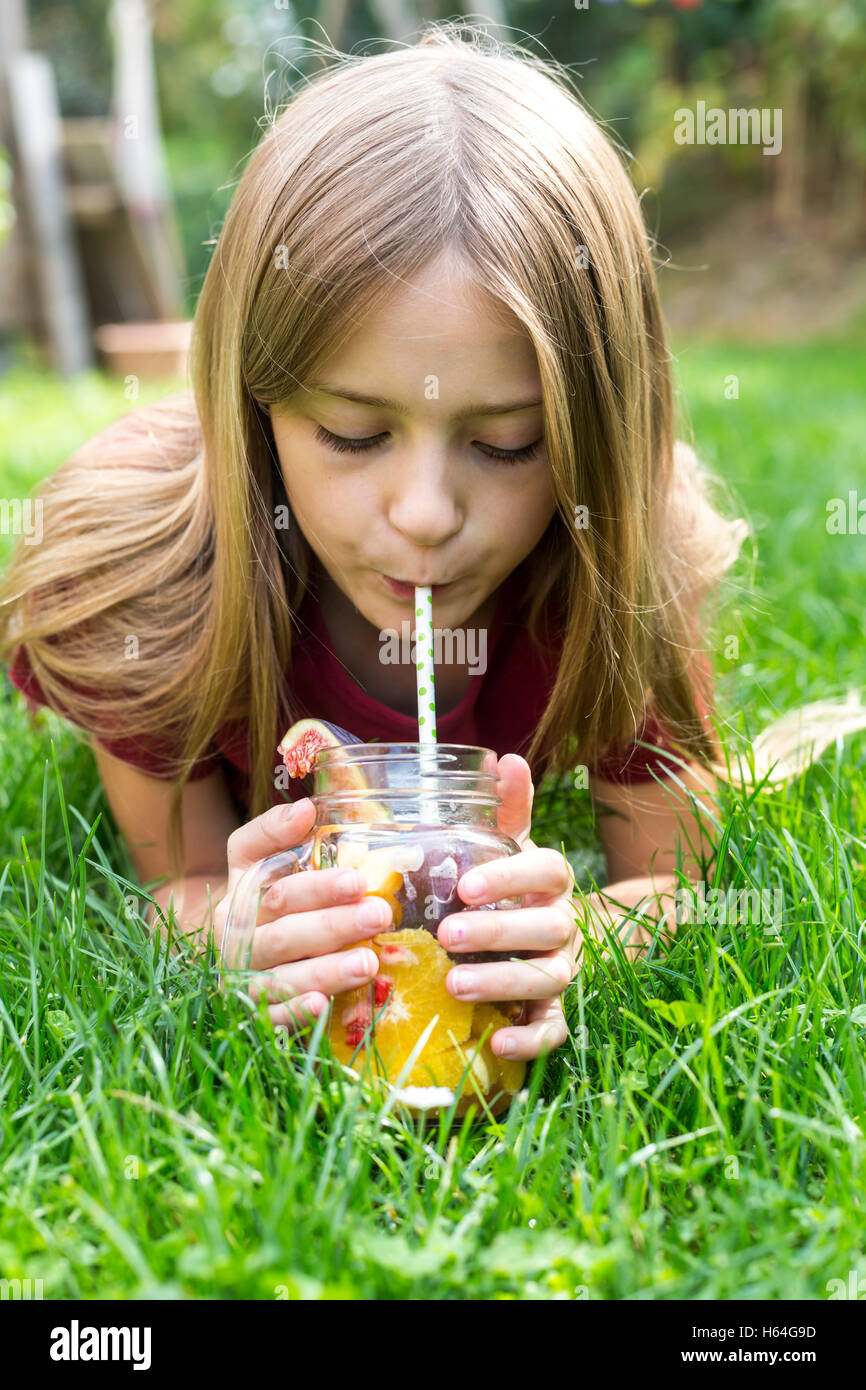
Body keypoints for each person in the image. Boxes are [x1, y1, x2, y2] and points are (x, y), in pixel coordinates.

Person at [2, 25, 862, 1067]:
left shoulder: (620, 565)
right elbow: (172, 884)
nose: (422, 513)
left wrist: (567, 936)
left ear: (593, 438)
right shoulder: (142, 587)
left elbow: (670, 885)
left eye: (504, 444)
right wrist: (233, 929)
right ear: (253, 403)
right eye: (353, 434)